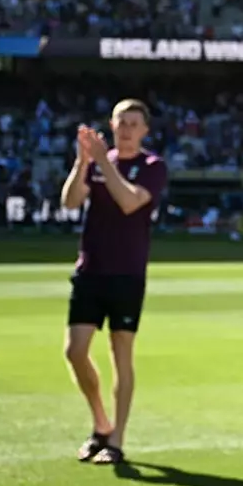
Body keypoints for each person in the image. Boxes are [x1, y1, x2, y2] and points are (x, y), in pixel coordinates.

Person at [61, 99, 168, 466]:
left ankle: (117, 440)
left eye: (133, 123)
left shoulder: (152, 166)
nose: (125, 129)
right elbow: (71, 202)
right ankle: (100, 424)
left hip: (127, 271)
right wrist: (81, 163)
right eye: (121, 122)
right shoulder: (96, 163)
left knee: (121, 353)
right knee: (75, 351)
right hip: (91, 267)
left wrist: (103, 163)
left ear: (144, 130)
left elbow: (130, 202)